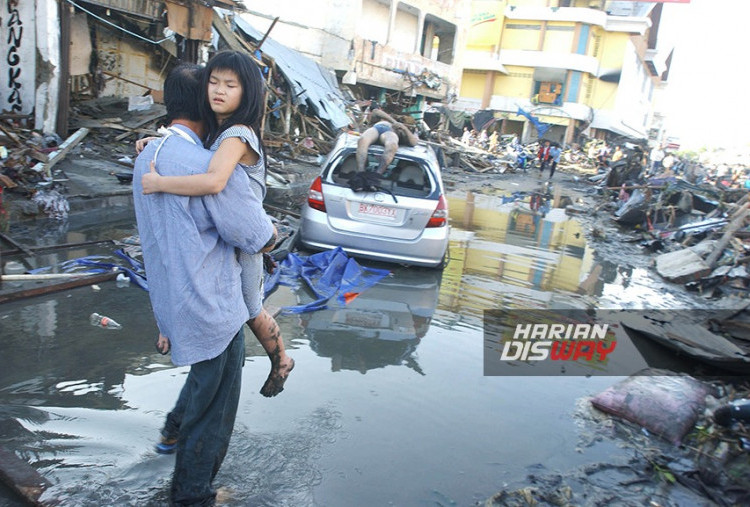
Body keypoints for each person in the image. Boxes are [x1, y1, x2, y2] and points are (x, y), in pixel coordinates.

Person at [133, 63, 277, 506]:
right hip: (215, 308)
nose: (220, 93)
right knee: (213, 412)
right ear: (204, 102)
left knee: (200, 390)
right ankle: (194, 495)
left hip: (173, 303)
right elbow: (255, 235)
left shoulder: (146, 156)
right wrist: (271, 236)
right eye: (214, 85)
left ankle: (172, 441)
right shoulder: (207, 167)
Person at [140, 51, 294, 400]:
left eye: (230, 85)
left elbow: (212, 181)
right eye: (213, 82)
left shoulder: (236, 134)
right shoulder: (219, 133)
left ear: (247, 93)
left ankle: (282, 359)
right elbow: (193, 152)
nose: (219, 91)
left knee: (251, 308)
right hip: (231, 236)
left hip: (247, 238)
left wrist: (159, 182)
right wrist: (158, 143)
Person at [356, 106, 419, 175]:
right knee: (362, 140)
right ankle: (361, 173)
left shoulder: (405, 133)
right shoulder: (382, 121)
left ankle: (377, 175)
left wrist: (404, 128)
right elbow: (376, 111)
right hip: (376, 130)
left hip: (388, 135)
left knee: (391, 145)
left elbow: (414, 143)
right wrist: (394, 122)